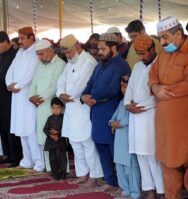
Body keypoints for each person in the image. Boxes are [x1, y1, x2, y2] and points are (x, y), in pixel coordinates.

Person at [81, 33, 131, 191]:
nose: (99, 52)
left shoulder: (121, 65)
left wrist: (93, 98)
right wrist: (83, 96)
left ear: (113, 48)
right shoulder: (99, 65)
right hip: (97, 112)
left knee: (114, 149)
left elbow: (113, 89)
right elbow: (89, 84)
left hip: (112, 111)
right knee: (101, 146)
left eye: (103, 49)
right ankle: (110, 180)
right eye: (99, 49)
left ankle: (124, 183)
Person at [149, 16, 188, 199]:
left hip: (184, 123)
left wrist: (165, 91)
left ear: (178, 34)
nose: (162, 42)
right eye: (160, 38)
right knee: (168, 164)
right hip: (165, 124)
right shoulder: (163, 53)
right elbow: (152, 74)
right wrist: (155, 88)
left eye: (165, 37)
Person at [57, 34, 103, 186]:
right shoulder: (70, 62)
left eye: (69, 52)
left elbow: (82, 86)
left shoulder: (88, 62)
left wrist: (68, 95)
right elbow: (61, 81)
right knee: (75, 143)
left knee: (87, 143)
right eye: (66, 53)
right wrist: (60, 94)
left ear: (77, 46)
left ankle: (94, 175)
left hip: (83, 109)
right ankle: (82, 174)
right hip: (70, 108)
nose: (68, 56)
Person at [125, 35, 165, 199]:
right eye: (138, 53)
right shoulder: (137, 67)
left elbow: (158, 93)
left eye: (143, 53)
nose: (140, 57)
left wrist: (141, 107)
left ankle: (162, 191)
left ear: (153, 49)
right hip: (135, 116)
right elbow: (130, 90)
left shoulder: (161, 65)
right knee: (140, 155)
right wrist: (128, 104)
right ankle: (150, 189)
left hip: (151, 114)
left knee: (153, 155)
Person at [5, 27, 44, 172]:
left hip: (27, 94)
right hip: (16, 96)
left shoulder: (35, 52)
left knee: (31, 129)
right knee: (21, 129)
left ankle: (39, 162)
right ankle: (27, 160)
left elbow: (31, 73)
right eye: (19, 38)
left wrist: (18, 85)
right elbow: (11, 70)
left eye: (22, 38)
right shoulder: (20, 52)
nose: (19, 41)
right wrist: (10, 84)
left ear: (31, 37)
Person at [29, 39, 66, 172]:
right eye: (38, 54)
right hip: (39, 106)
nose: (39, 57)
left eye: (41, 54)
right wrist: (31, 96)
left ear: (50, 50)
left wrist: (40, 98)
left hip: (53, 107)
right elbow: (34, 83)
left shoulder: (60, 64)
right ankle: (49, 167)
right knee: (43, 138)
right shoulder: (39, 65)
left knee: (55, 138)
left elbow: (56, 86)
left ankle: (62, 169)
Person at [0, 31, 22, 167]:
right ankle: (8, 155)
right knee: (1, 126)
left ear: (6, 42)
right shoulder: (0, 56)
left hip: (8, 97)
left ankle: (16, 157)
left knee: (9, 127)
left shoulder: (15, 55)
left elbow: (8, 74)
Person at [109, 75, 141, 199]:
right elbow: (114, 117)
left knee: (131, 168)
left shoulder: (134, 102)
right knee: (120, 165)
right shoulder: (122, 102)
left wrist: (118, 124)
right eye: (121, 87)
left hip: (128, 139)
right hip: (119, 141)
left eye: (125, 87)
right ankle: (125, 189)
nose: (122, 89)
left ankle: (135, 193)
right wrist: (112, 123)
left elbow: (129, 119)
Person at [43, 97, 67, 181]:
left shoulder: (64, 118)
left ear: (62, 108)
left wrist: (57, 133)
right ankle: (55, 175)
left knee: (62, 159)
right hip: (51, 143)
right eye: (53, 108)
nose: (56, 110)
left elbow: (66, 129)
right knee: (52, 159)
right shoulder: (50, 118)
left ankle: (63, 175)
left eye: (58, 108)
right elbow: (45, 129)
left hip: (61, 143)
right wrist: (51, 135)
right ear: (51, 108)